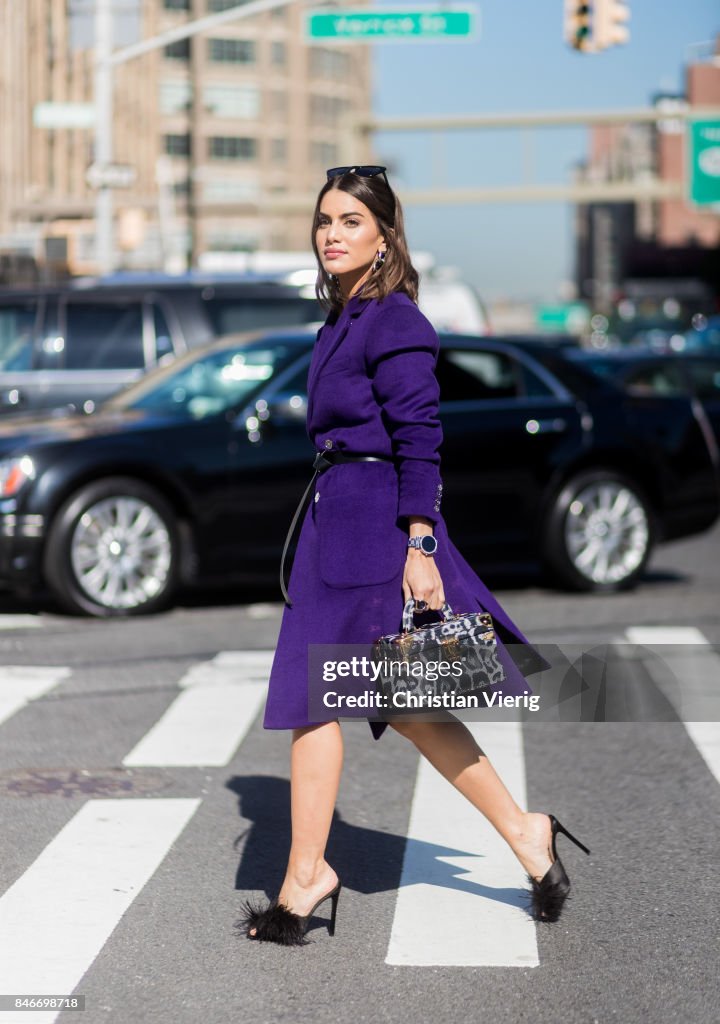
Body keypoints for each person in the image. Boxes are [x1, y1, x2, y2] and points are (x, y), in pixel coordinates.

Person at [237, 166, 590, 945]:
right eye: (325, 219)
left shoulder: (395, 321)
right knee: (403, 705)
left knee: (322, 698)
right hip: (334, 524)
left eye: (351, 221)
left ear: (385, 235)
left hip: (373, 531)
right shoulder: (341, 320)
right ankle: (529, 836)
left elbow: (421, 440)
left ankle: (305, 876)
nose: (332, 232)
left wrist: (420, 542)